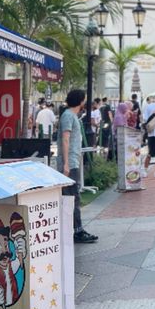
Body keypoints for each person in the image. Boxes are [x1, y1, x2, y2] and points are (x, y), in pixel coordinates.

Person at [57, 89, 98, 243]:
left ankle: (75, 229)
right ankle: (76, 231)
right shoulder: (68, 116)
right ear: (80, 100)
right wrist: (67, 163)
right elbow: (65, 139)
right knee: (72, 196)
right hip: (70, 163)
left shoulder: (71, 116)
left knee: (72, 196)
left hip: (72, 161)